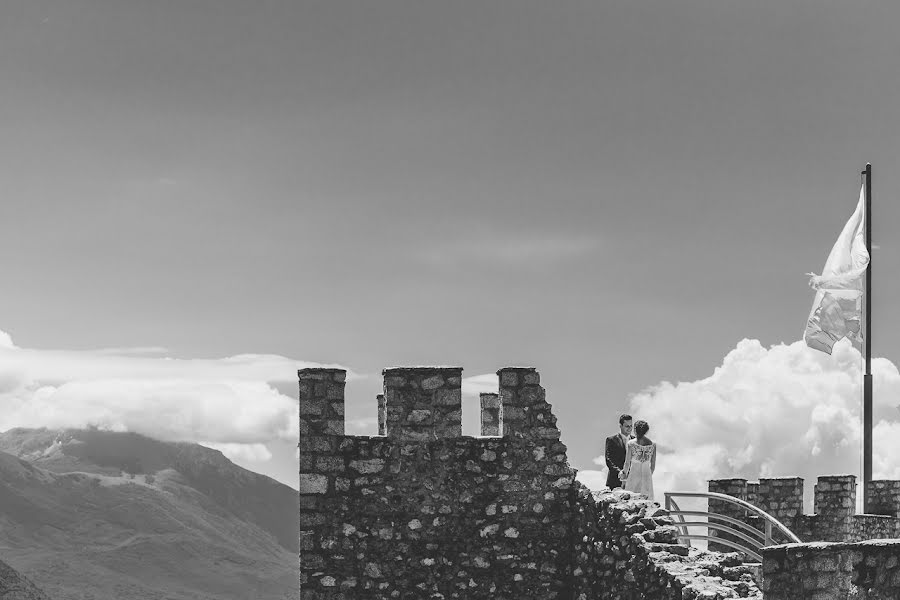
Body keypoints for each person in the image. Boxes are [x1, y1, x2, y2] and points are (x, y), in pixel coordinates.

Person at [622, 419, 656, 499]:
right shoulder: (653, 445)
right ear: (646, 431)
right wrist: (648, 477)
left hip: (633, 476)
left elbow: (627, 463)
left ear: (635, 430)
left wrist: (624, 478)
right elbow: (653, 466)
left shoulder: (631, 443)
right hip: (647, 476)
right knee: (647, 504)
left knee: (631, 502)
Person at [604, 414, 633, 489]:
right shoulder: (611, 440)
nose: (630, 428)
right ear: (620, 426)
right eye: (627, 426)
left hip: (633, 481)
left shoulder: (636, 441)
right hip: (615, 481)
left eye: (631, 426)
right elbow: (609, 460)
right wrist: (619, 472)